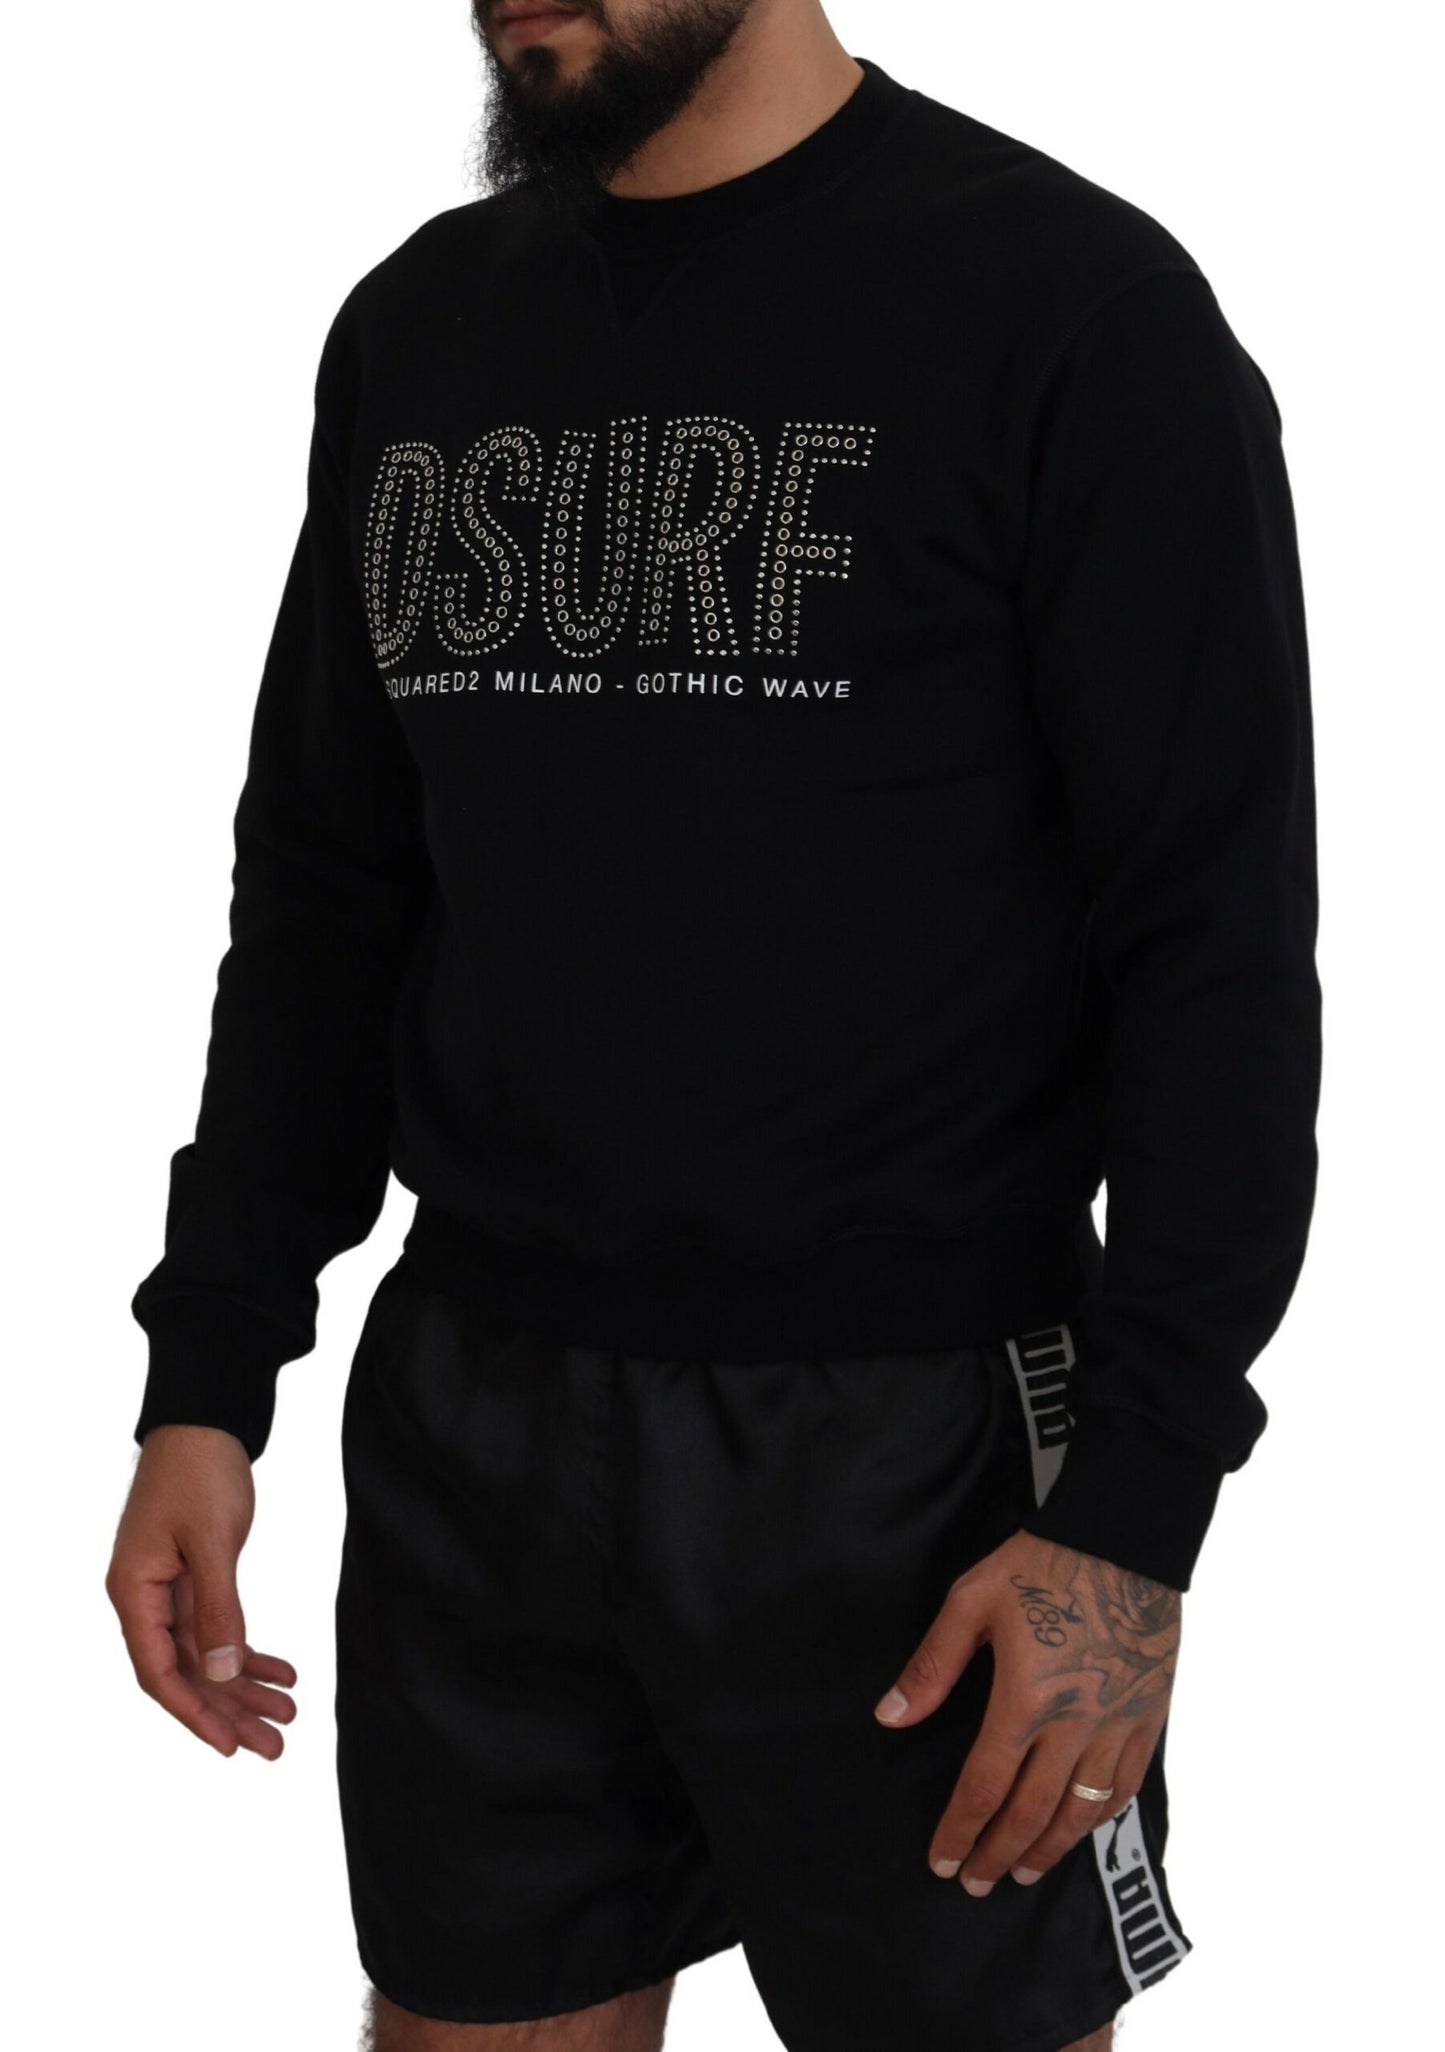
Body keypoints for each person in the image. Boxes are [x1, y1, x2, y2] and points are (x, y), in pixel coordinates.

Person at [105, 2, 1322, 2048]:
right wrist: (207, 1378)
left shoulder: (1071, 310)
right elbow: (327, 893)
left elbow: (1215, 954)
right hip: (477, 1424)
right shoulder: (423, 328)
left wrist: (1131, 1515)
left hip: (915, 1446)